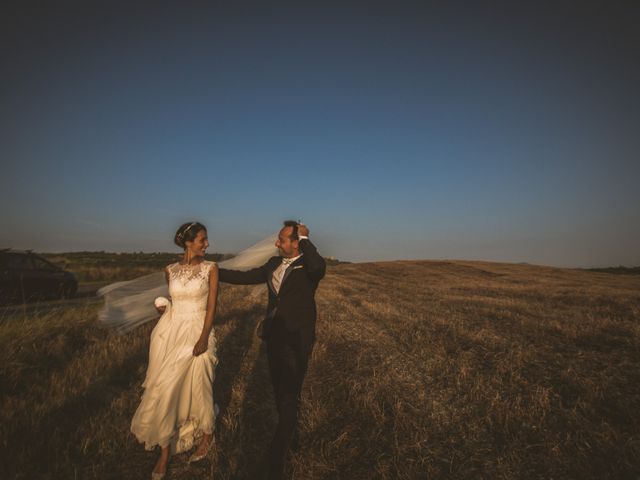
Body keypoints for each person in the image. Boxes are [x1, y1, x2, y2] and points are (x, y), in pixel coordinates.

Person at [218, 220, 326, 479]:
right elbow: (245, 277)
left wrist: (306, 239)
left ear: (295, 242)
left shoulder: (308, 266)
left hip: (297, 339)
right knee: (280, 392)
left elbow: (319, 268)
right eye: (278, 239)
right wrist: (214, 270)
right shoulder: (273, 265)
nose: (276, 243)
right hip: (274, 338)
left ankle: (275, 463)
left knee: (289, 394)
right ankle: (292, 440)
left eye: (282, 239)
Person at [130, 222, 219, 480]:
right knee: (165, 387)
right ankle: (165, 452)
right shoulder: (169, 270)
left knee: (202, 381)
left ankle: (207, 434)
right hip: (171, 333)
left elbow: (212, 307)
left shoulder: (211, 269)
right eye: (202, 240)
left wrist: (203, 338)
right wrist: (165, 307)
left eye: (206, 239)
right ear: (188, 243)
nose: (207, 244)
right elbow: (175, 301)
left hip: (200, 329)